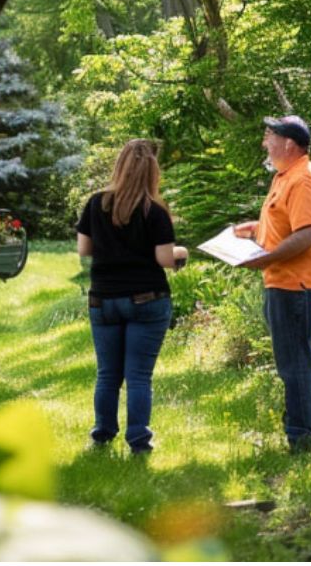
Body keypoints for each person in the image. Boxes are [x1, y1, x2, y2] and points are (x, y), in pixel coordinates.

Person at [76, 139, 188, 454]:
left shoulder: (97, 203)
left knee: (107, 373)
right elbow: (166, 259)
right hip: (146, 298)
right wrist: (182, 252)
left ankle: (102, 434)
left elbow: (84, 250)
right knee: (138, 375)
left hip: (103, 300)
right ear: (152, 172)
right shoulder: (155, 211)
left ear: (120, 165)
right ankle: (138, 440)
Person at [234, 115, 311, 454]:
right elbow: (284, 225)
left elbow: (309, 233)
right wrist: (252, 229)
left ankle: (302, 439)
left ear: (289, 144)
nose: (264, 142)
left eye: (269, 136)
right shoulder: (285, 177)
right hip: (285, 282)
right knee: (297, 359)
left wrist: (267, 258)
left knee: (293, 363)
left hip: (296, 284)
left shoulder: (303, 178)